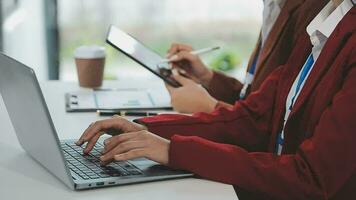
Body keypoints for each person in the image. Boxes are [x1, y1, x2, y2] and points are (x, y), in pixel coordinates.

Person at [76, 0, 355, 199]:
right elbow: (254, 117)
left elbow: (313, 179)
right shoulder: (326, 22)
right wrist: (147, 129)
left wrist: (175, 151)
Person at [164, 0, 329, 114]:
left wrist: (210, 107)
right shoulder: (273, 6)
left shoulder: (311, 8)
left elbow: (274, 122)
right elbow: (253, 97)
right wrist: (206, 77)